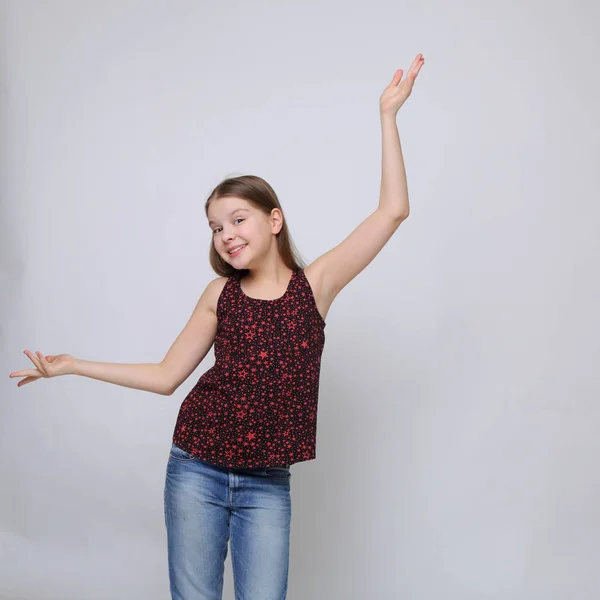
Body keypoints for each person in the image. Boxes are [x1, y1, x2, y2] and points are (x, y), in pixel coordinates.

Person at [10, 54, 424, 600]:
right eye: (214, 227)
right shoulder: (220, 295)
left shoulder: (314, 286)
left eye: (237, 219)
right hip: (196, 470)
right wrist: (72, 366)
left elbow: (392, 211)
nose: (225, 234)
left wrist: (388, 117)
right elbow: (165, 376)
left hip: (267, 484)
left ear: (274, 220)